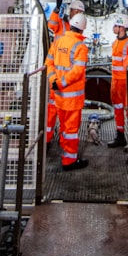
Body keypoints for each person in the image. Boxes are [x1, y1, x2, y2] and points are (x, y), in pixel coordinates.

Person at [51, 12, 89, 171]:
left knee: (64, 128)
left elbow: (49, 63)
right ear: (82, 30)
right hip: (72, 99)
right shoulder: (80, 46)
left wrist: (53, 81)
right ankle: (69, 161)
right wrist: (61, 83)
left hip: (59, 97)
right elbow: (77, 71)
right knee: (71, 130)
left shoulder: (58, 42)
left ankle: (65, 153)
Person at [44, 0, 85, 144]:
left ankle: (63, 143)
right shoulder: (61, 23)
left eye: (81, 12)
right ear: (71, 10)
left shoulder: (74, 33)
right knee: (51, 113)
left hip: (63, 82)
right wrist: (55, 11)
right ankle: (46, 142)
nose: (78, 14)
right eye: (77, 11)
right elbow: (51, 25)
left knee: (65, 119)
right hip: (57, 79)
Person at [107, 13, 128, 148]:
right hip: (115, 81)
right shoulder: (115, 43)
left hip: (126, 83)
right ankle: (120, 135)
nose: (114, 28)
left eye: (116, 25)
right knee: (117, 108)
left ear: (122, 27)